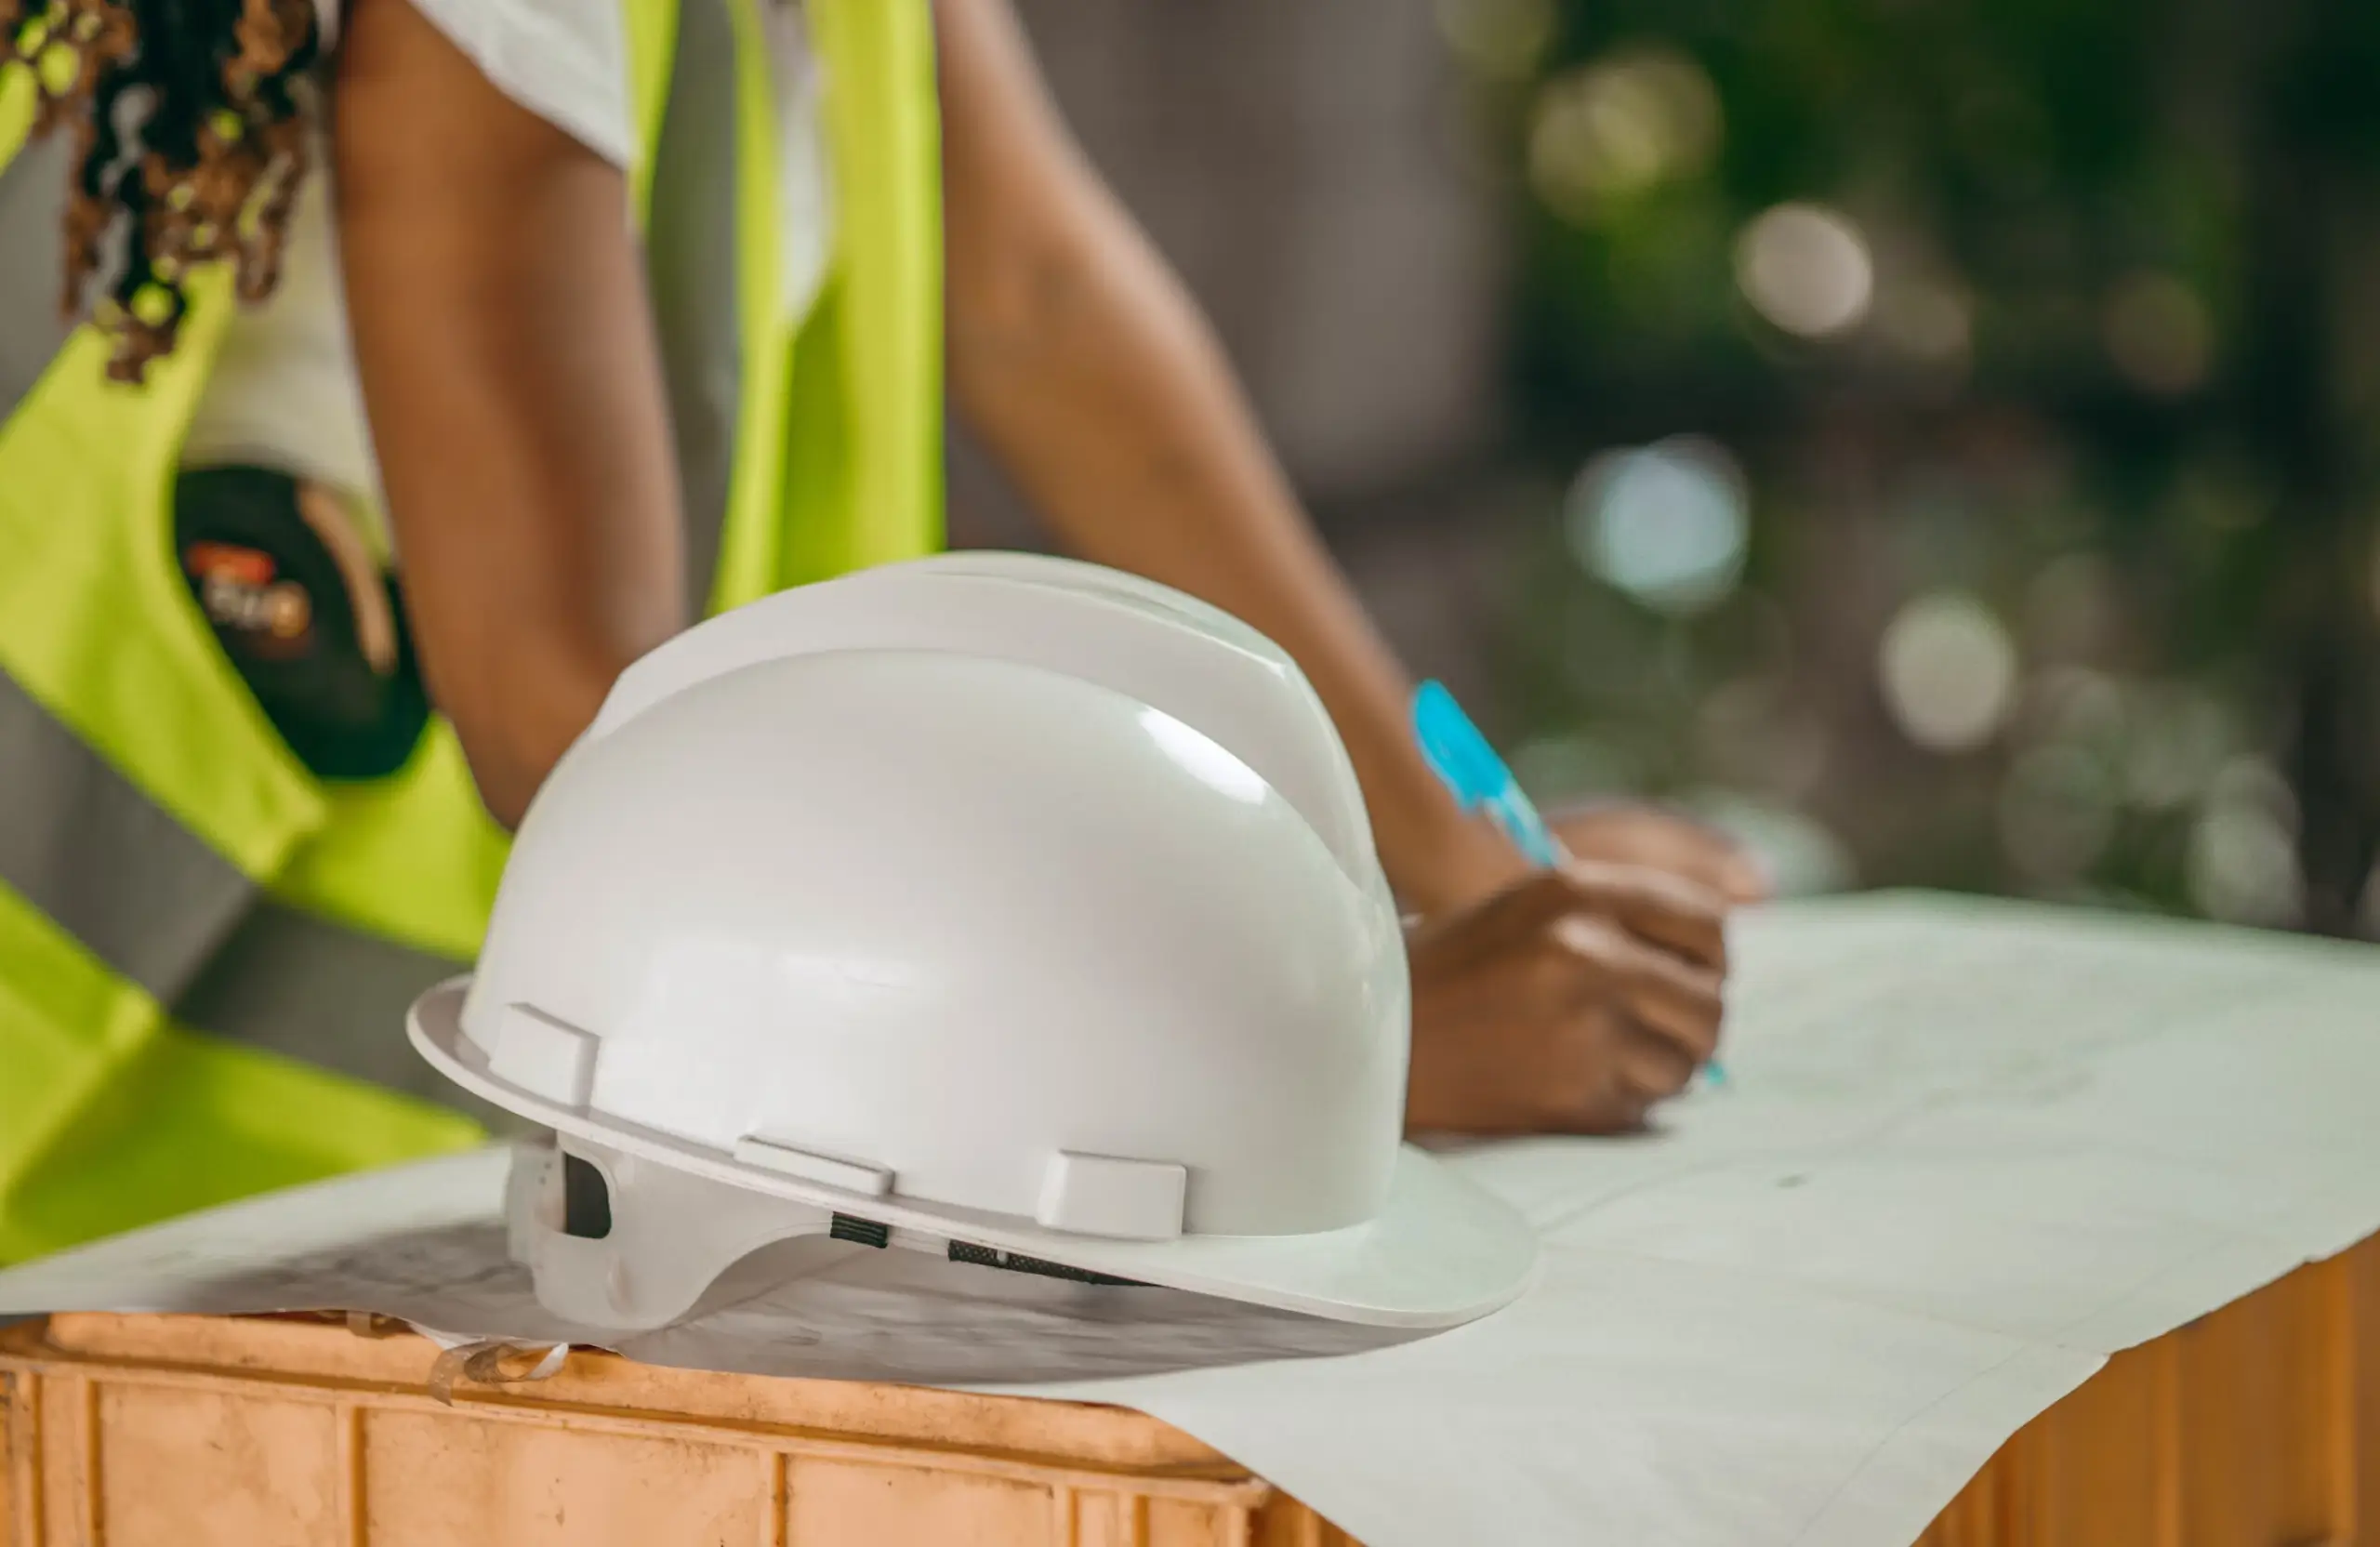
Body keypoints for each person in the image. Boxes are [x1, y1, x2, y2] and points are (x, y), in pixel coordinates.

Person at [0, 0, 1763, 1263]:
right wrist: (1289, 1074)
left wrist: (1460, 866)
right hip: (89, 1174)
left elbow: (1037, 293)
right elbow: (570, 742)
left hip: (368, 1191)